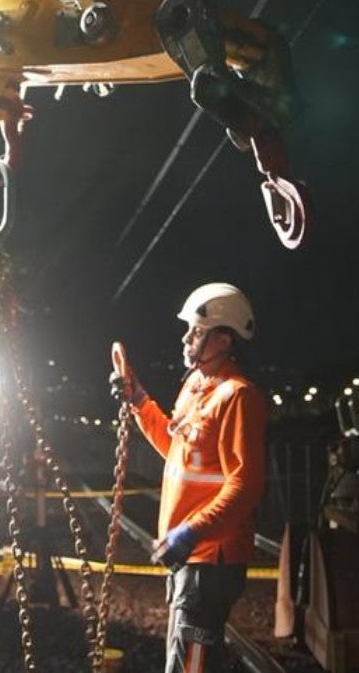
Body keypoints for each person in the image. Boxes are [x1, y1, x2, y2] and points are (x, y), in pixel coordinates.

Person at [111, 282, 268, 673]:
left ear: (224, 339)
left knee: (188, 666)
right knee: (194, 660)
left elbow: (244, 484)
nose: (187, 338)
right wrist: (139, 402)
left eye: (197, 331)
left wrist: (192, 532)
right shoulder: (195, 387)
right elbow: (178, 449)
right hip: (192, 557)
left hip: (210, 560)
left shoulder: (238, 396)